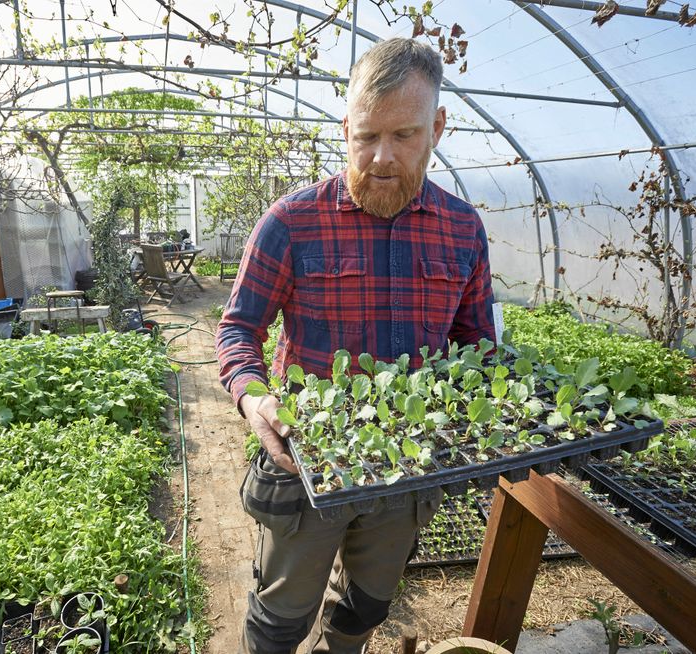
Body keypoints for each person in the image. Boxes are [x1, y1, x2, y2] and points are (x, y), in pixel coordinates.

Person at [215, 37, 496, 653]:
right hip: (304, 460)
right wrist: (255, 398)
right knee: (282, 615)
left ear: (438, 128)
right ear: (345, 126)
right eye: (366, 136)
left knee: (369, 602)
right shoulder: (292, 221)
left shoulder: (462, 231)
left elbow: (477, 345)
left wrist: (485, 411)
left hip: (405, 466)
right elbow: (239, 328)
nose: (381, 157)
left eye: (404, 135)